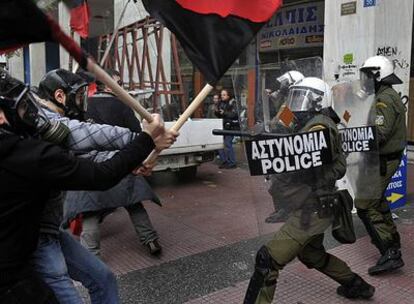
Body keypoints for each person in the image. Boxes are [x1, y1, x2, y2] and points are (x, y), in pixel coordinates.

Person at [0, 76, 172, 303]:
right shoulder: (23, 151)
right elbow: (92, 163)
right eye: (24, 107)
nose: (33, 114)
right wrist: (145, 138)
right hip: (24, 250)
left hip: (43, 230)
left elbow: (77, 156)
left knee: (103, 278)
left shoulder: (23, 141)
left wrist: (135, 157)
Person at [243, 77, 375, 304]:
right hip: (309, 205)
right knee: (312, 254)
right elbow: (280, 126)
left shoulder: (320, 126)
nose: (294, 103)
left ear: (317, 101)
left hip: (312, 209)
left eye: (300, 96)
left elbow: (303, 153)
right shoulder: (304, 120)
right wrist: (264, 134)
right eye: (293, 96)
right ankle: (356, 285)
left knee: (268, 260)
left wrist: (273, 152)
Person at [60, 69, 163, 256]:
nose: (122, 88)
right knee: (133, 202)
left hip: (90, 166)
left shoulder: (82, 106)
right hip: (121, 162)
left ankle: (91, 255)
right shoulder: (122, 105)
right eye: (119, 84)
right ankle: (150, 240)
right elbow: (138, 137)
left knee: (90, 210)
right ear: (107, 85)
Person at [355, 55, 406, 275]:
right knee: (379, 202)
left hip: (382, 161)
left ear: (379, 75)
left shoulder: (384, 99)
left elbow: (379, 134)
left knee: (365, 205)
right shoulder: (383, 95)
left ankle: (390, 253)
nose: (365, 80)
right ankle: (393, 242)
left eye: (368, 75)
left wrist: (353, 138)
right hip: (382, 160)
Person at [265, 71, 304, 224]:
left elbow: (282, 124)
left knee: (279, 181)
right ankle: (283, 209)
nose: (281, 87)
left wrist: (270, 126)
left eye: (284, 84)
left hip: (285, 145)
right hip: (280, 144)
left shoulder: (293, 103)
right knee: (277, 179)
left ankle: (284, 211)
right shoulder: (288, 101)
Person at [215, 89, 238, 169]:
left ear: (228, 95)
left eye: (224, 95)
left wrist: (224, 113)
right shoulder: (220, 103)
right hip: (222, 126)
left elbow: (234, 114)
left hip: (230, 127)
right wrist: (217, 112)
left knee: (228, 144)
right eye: (221, 95)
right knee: (220, 144)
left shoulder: (233, 102)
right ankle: (224, 161)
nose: (222, 96)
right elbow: (219, 115)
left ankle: (232, 162)